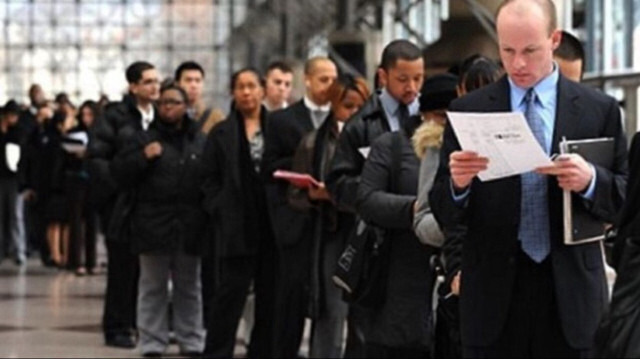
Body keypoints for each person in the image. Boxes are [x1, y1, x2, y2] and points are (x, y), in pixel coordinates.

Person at [429, 0, 628, 357]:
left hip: (571, 298)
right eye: (507, 50)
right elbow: (443, 211)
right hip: (493, 299)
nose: (518, 63)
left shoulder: (599, 110)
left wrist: (591, 181)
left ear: (554, 39)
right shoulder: (468, 111)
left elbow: (627, 201)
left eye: (530, 50)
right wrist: (458, 186)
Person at [325, 39, 424, 358]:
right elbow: (338, 182)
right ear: (383, 77)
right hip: (373, 243)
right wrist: (375, 190)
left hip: (416, 241)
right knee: (367, 331)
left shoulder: (428, 120)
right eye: (403, 79)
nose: (412, 87)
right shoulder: (361, 124)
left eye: (418, 78)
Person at [111, 85, 206, 357]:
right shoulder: (142, 139)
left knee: (189, 286)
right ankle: (152, 341)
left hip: (189, 224)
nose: (168, 107)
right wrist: (143, 157)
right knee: (152, 286)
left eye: (174, 102)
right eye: (163, 103)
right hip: (151, 224)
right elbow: (120, 173)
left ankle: (191, 339)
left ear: (185, 105)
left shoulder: (199, 140)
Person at [287, 74, 370, 358]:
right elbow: (294, 195)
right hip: (330, 233)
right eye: (347, 106)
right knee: (331, 312)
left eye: (360, 106)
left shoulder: (379, 138)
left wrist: (335, 193)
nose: (354, 114)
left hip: (365, 232)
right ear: (334, 105)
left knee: (363, 312)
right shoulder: (313, 143)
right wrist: (313, 194)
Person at [262, 56, 337, 358]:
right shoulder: (283, 121)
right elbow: (268, 168)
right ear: (306, 79)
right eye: (323, 79)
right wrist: (300, 164)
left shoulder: (343, 117)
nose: (329, 86)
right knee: (291, 296)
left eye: (334, 80)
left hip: (332, 221)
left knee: (330, 300)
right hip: (297, 220)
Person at [201, 68, 275, 358]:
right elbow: (207, 178)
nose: (246, 92)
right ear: (233, 92)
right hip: (235, 223)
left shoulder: (277, 127)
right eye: (240, 87)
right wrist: (219, 206)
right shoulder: (221, 132)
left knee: (270, 294)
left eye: (251, 86)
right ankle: (218, 351)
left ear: (262, 90)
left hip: (271, 223)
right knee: (229, 294)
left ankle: (262, 350)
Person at [89, 61, 160, 349]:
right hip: (121, 205)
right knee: (122, 269)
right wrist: (115, 187)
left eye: (156, 81)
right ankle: (117, 325)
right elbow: (97, 159)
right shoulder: (114, 117)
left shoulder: (160, 117)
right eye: (148, 82)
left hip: (152, 206)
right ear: (133, 86)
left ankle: (142, 324)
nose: (155, 86)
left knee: (150, 272)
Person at [66, 100, 100, 275]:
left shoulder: (99, 133)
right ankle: (75, 261)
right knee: (76, 221)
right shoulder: (74, 132)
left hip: (92, 181)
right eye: (84, 114)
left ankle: (91, 261)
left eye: (90, 114)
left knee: (91, 223)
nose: (87, 118)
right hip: (76, 180)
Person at [0, 101, 26, 265]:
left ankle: (18, 250)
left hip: (15, 180)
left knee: (16, 216)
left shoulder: (19, 132)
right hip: (1, 178)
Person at [174, 61, 225, 134]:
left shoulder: (216, 118)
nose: (194, 85)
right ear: (177, 84)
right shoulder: (170, 115)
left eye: (198, 81)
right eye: (188, 80)